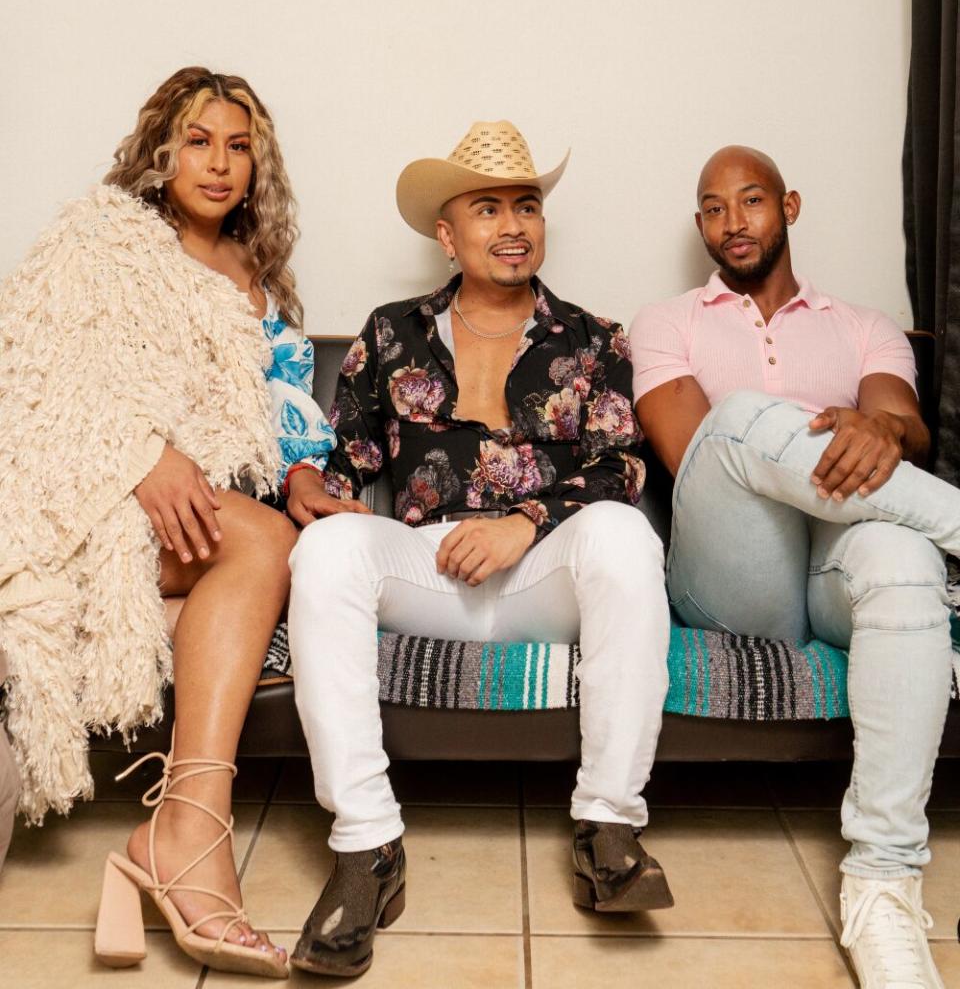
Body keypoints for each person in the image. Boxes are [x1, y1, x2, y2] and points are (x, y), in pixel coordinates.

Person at [284, 120, 673, 978]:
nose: (512, 225)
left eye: (527, 206)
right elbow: (350, 461)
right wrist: (311, 484)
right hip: (430, 568)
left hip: (544, 571)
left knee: (623, 534)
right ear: (446, 233)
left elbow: (620, 468)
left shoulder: (594, 339)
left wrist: (524, 523)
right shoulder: (390, 334)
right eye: (488, 208)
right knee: (323, 555)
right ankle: (367, 849)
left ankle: (609, 828)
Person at [0, 66, 337, 980]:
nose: (220, 165)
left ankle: (161, 841)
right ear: (160, 149)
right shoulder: (104, 238)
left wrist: (303, 470)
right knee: (262, 543)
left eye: (239, 147)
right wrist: (139, 454)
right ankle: (191, 830)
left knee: (295, 550)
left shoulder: (258, 273)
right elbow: (37, 364)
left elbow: (276, 404)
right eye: (199, 141)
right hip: (106, 488)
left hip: (208, 509)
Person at [630, 144, 957, 989]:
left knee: (904, 556)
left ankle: (882, 882)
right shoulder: (668, 324)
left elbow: (904, 429)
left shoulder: (865, 325)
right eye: (712, 207)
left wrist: (878, 429)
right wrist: (829, 434)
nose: (732, 222)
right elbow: (691, 451)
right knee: (740, 419)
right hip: (731, 572)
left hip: (836, 570)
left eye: (751, 201)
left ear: (791, 206)